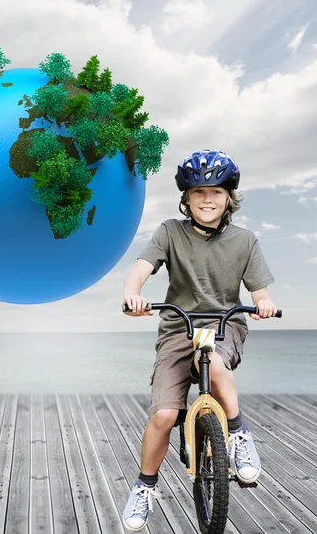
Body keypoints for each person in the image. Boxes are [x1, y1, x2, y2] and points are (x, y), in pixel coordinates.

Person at [120, 149, 277, 532]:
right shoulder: (170, 232)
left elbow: (260, 293)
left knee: (213, 361)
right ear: (186, 199)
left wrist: (265, 305)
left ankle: (238, 432)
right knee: (164, 415)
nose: (208, 199)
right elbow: (139, 271)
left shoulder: (246, 240)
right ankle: (144, 487)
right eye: (199, 191)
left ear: (229, 198)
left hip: (224, 325)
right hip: (178, 327)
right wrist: (132, 295)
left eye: (217, 192)